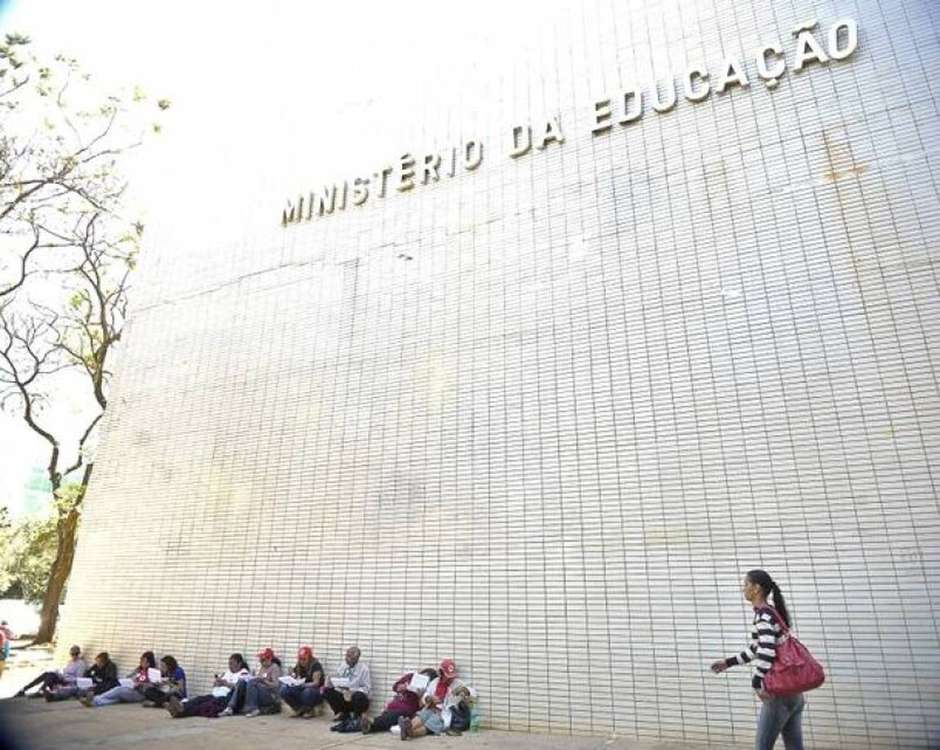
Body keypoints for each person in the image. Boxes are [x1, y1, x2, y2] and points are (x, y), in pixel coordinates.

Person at [710, 569, 806, 750]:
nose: (743, 588)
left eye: (746, 584)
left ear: (756, 588)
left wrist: (756, 682)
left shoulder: (763, 616)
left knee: (762, 747)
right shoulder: (771, 612)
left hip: (778, 694)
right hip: (794, 694)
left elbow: (767, 651)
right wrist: (728, 662)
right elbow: (757, 648)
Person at [398, 659, 475, 739]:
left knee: (431, 724)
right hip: (431, 708)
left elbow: (472, 693)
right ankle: (407, 726)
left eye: (452, 677)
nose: (450, 679)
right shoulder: (434, 682)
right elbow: (425, 696)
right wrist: (429, 698)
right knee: (422, 715)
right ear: (440, 673)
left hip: (443, 716)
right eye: (447, 676)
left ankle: (411, 733)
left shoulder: (458, 683)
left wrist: (465, 691)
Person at [167, 654, 250, 719]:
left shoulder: (244, 673)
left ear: (239, 664)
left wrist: (225, 684)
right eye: (229, 663)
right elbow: (216, 684)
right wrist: (217, 683)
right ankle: (181, 706)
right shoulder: (227, 672)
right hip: (215, 695)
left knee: (205, 705)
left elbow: (239, 688)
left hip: (226, 697)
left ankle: (181, 711)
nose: (230, 666)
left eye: (232, 664)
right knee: (199, 699)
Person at [361, 668, 437, 734]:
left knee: (392, 717)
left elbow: (422, 708)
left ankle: (371, 723)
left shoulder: (428, 690)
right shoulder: (410, 676)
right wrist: (401, 687)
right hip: (394, 705)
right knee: (388, 719)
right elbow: (395, 686)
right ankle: (369, 725)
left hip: (407, 711)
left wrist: (420, 695)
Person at [219, 648, 282, 718]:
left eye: (263, 660)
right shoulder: (263, 667)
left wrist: (263, 681)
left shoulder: (274, 668)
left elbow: (276, 685)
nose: (261, 662)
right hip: (260, 692)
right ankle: (230, 707)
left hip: (270, 695)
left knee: (252, 682)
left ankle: (253, 708)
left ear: (269, 659)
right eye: (260, 660)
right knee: (241, 681)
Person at [81, 651, 156, 707]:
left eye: (144, 661)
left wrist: (140, 683)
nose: (141, 662)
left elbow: (153, 686)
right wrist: (131, 679)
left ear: (149, 662)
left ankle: (95, 699)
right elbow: (129, 676)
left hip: (140, 693)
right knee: (117, 699)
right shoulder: (139, 669)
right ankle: (94, 703)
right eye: (141, 660)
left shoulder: (152, 672)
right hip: (131, 689)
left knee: (118, 690)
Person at [322, 645, 371, 731]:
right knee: (327, 691)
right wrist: (331, 682)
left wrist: (353, 691)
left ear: (356, 659)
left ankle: (356, 717)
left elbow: (367, 688)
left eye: (350, 657)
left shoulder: (364, 669)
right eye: (346, 656)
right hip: (343, 694)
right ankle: (343, 713)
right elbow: (337, 678)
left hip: (355, 697)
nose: (347, 659)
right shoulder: (343, 665)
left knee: (359, 696)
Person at [15, 645, 87, 698]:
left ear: (78, 654)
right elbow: (65, 672)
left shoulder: (81, 664)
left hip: (68, 682)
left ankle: (41, 691)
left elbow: (78, 678)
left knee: (51, 675)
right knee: (47, 674)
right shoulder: (70, 662)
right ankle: (24, 689)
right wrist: (60, 674)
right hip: (62, 678)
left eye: (76, 654)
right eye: (72, 654)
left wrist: (66, 679)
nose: (74, 656)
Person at [279, 645, 324, 718]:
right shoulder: (299, 666)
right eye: (300, 659)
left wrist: (303, 685)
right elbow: (295, 678)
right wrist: (291, 676)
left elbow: (316, 683)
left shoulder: (316, 666)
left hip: (315, 691)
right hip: (302, 688)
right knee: (284, 689)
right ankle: (298, 708)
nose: (302, 661)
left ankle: (309, 710)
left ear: (309, 658)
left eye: (304, 659)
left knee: (307, 691)